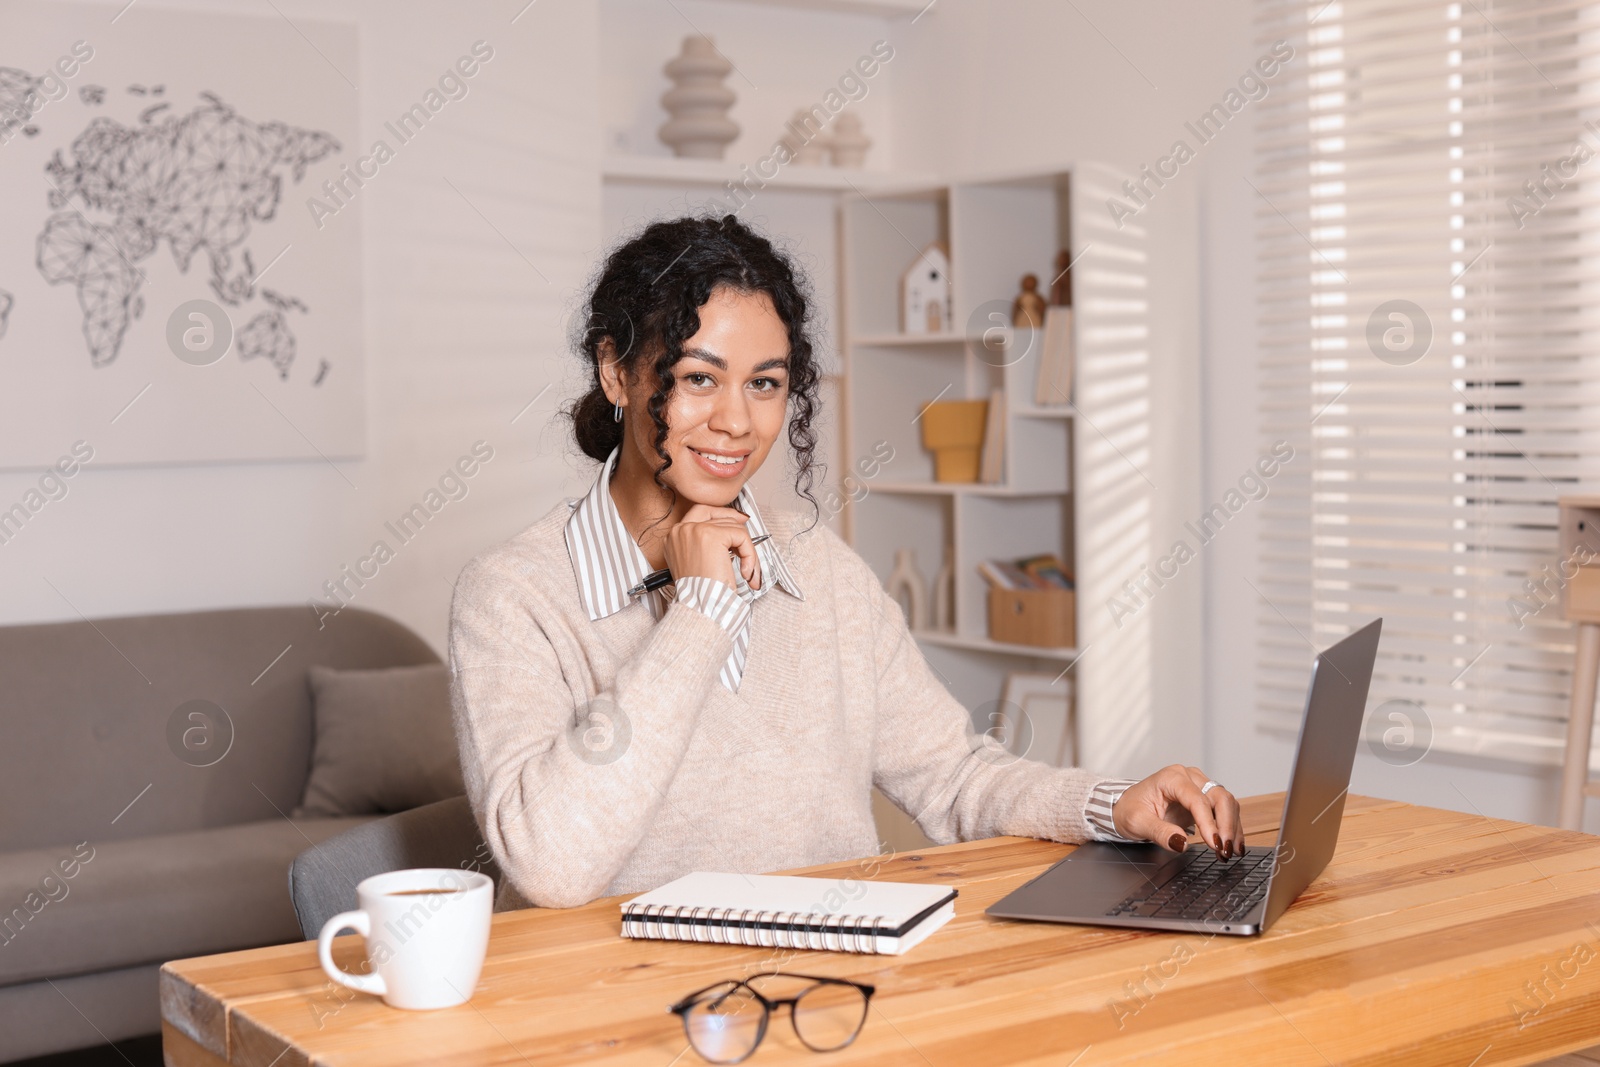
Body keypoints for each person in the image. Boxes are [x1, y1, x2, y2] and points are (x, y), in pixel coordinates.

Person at [447, 214, 1242, 911]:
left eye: (764, 383)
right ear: (616, 370)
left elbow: (956, 778)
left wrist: (1114, 807)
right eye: (698, 378)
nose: (734, 420)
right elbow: (551, 863)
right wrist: (698, 615)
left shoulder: (818, 569)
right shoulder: (512, 596)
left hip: (835, 996)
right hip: (624, 1021)